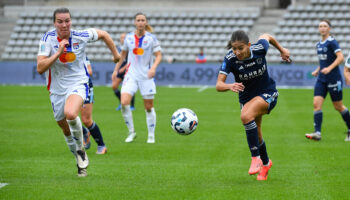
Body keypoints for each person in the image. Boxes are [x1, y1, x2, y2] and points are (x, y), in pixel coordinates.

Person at [37, 7, 120, 176]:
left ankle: (81, 148)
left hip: (78, 83)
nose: (64, 24)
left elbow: (103, 34)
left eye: (67, 20)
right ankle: (78, 159)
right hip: (56, 90)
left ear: (71, 21)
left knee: (70, 113)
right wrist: (58, 52)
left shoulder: (81, 36)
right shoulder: (47, 39)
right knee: (65, 129)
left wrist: (116, 55)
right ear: (54, 23)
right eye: (60, 21)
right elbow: (40, 68)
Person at [216, 30, 290, 181]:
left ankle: (255, 157)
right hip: (247, 98)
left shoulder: (260, 49)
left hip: (267, 92)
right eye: (234, 48)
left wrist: (282, 50)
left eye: (240, 48)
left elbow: (267, 36)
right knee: (257, 133)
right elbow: (218, 84)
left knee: (245, 115)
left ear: (249, 45)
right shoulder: (230, 59)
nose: (237, 52)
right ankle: (266, 163)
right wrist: (230, 86)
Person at [112, 12, 162, 144]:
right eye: (138, 20)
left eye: (142, 20)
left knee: (149, 107)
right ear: (135, 22)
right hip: (131, 75)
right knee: (124, 102)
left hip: (146, 76)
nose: (140, 22)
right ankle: (131, 132)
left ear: (146, 23)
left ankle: (151, 135)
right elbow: (122, 55)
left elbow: (159, 55)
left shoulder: (151, 38)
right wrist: (116, 70)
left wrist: (153, 68)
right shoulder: (128, 38)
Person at [305, 19, 350, 142]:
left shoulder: (332, 42)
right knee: (316, 104)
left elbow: (340, 58)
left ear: (329, 28)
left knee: (338, 106)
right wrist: (318, 69)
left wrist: (329, 69)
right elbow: (324, 62)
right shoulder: (319, 44)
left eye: (325, 26)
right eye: (320, 26)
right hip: (322, 79)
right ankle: (317, 133)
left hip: (334, 79)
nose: (322, 28)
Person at [81, 56, 107, 154]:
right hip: (67, 87)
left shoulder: (79, 50)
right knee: (65, 117)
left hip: (84, 87)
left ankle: (101, 145)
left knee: (86, 120)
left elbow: (90, 71)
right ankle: (84, 132)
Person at [112, 32, 135, 111]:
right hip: (120, 70)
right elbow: (117, 60)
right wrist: (115, 70)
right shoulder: (118, 49)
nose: (123, 39)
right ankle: (121, 102)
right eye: (122, 38)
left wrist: (124, 68)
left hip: (128, 70)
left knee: (130, 87)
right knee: (114, 86)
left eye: (125, 38)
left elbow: (131, 61)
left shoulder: (129, 48)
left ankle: (132, 105)